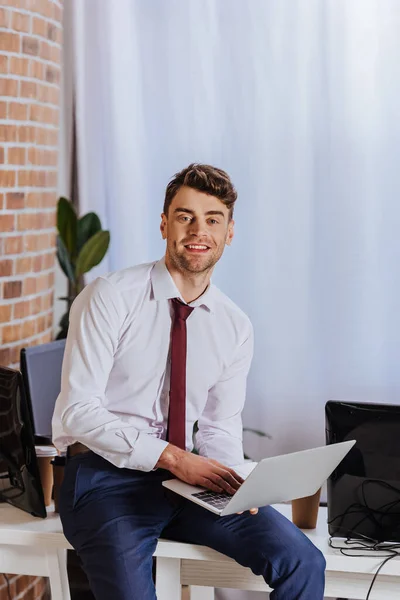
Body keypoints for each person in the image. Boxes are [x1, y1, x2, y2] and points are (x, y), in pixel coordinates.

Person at [52, 164, 326, 600]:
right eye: (185, 216)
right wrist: (175, 459)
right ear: (164, 224)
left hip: (190, 483)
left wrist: (233, 483)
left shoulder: (234, 325)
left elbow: (218, 427)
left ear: (229, 231)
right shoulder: (110, 297)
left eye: (213, 219)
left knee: (303, 562)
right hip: (106, 478)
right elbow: (77, 410)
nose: (199, 230)